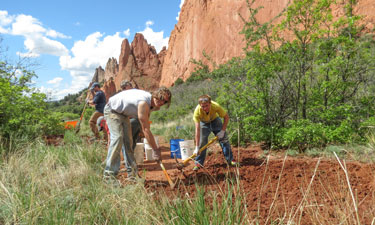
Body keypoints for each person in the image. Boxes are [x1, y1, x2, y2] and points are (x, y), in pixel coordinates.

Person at [103, 87, 172, 181]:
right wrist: (155, 149)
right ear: (155, 95)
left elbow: (145, 122)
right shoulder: (143, 102)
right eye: (160, 98)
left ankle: (132, 175)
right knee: (118, 138)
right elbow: (146, 129)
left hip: (124, 115)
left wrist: (147, 135)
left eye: (165, 101)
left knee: (128, 143)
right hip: (112, 110)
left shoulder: (154, 105)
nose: (161, 102)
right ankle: (109, 176)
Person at [192, 94, 238, 171]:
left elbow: (226, 117)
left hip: (215, 120)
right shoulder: (197, 111)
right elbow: (197, 129)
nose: (205, 108)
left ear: (210, 103)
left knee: (224, 140)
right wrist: (196, 147)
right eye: (203, 106)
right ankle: (198, 163)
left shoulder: (216, 106)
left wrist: (222, 131)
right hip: (203, 123)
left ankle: (231, 160)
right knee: (202, 143)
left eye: (207, 105)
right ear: (200, 105)